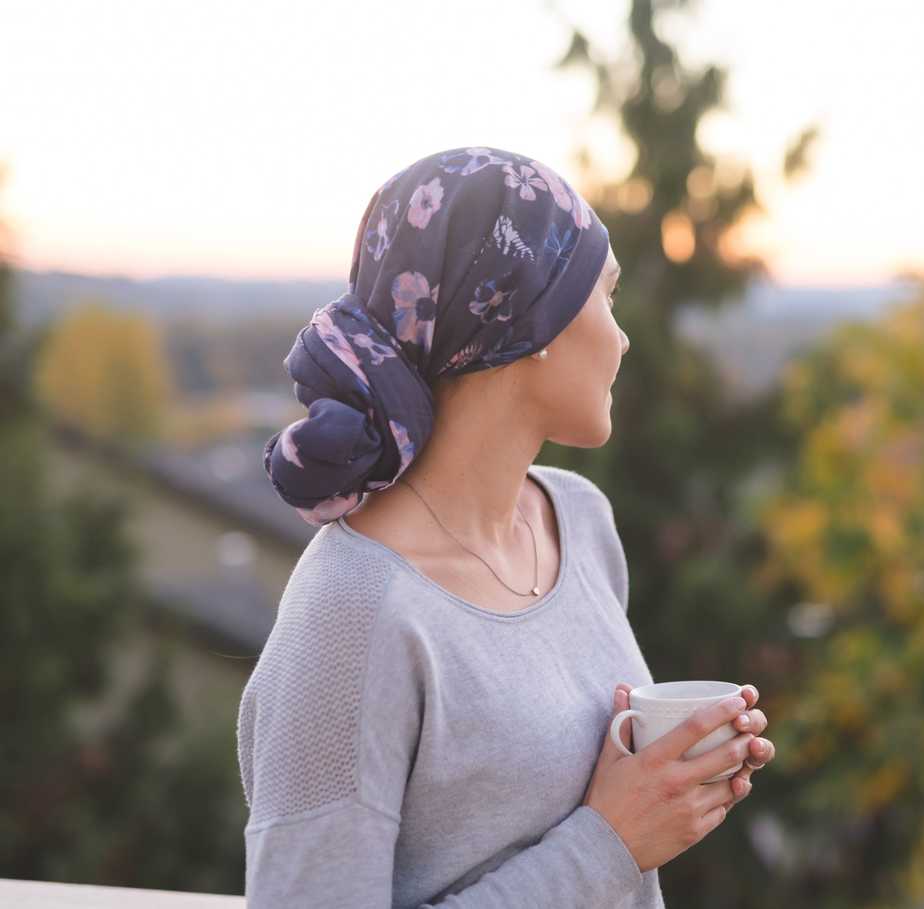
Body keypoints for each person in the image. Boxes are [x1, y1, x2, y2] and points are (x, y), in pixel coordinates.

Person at [238, 145, 775, 907]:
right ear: (534, 318)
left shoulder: (580, 521)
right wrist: (610, 844)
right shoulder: (352, 613)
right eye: (608, 297)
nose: (621, 339)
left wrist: (673, 785)